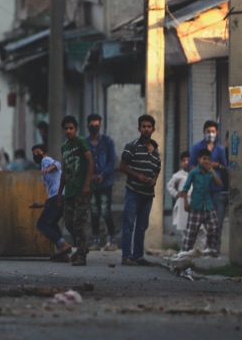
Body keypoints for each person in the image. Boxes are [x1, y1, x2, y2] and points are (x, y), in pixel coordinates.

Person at [119, 114, 161, 266]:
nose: (146, 129)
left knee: (142, 226)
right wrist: (139, 176)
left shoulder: (155, 150)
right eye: (143, 126)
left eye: (149, 126)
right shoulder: (132, 146)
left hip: (148, 194)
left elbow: (158, 169)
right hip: (133, 191)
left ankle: (138, 256)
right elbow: (122, 166)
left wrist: (154, 180)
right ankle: (126, 256)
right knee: (129, 223)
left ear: (153, 129)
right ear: (139, 128)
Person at [57, 115, 94, 266]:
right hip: (70, 189)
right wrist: (60, 192)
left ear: (76, 129)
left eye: (71, 128)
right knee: (68, 222)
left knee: (79, 222)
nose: (68, 131)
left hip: (81, 189)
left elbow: (90, 161)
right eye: (66, 129)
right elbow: (64, 171)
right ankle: (81, 249)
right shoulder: (64, 147)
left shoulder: (81, 142)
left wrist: (87, 184)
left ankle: (81, 256)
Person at [188, 120, 227, 252]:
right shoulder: (196, 148)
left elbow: (225, 168)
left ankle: (214, 249)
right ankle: (193, 249)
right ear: (204, 132)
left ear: (216, 133)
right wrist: (202, 167)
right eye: (208, 131)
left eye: (213, 131)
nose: (210, 134)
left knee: (217, 223)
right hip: (200, 192)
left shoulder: (220, 149)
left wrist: (217, 166)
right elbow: (190, 166)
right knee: (196, 224)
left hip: (216, 191)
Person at [29, 144, 73, 262]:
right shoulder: (43, 167)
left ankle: (63, 245)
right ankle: (62, 253)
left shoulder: (45, 160)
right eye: (33, 154)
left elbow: (58, 164)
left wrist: (49, 168)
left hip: (57, 196)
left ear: (45, 153)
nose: (35, 155)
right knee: (52, 223)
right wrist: (40, 205)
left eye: (37, 152)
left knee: (42, 224)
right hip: (59, 196)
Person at [176, 149, 222, 258]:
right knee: (191, 233)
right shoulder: (193, 172)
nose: (206, 161)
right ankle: (184, 255)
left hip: (208, 206)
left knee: (215, 227)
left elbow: (219, 184)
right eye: (204, 159)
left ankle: (211, 250)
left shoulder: (210, 173)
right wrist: (186, 204)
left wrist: (213, 172)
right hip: (196, 206)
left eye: (208, 159)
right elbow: (185, 189)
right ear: (199, 159)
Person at [85, 113, 118, 251]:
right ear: (87, 126)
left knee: (105, 211)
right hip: (91, 183)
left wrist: (102, 174)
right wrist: (90, 176)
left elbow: (112, 161)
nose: (94, 128)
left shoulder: (107, 141)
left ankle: (112, 240)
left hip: (105, 183)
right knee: (94, 211)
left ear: (101, 126)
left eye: (97, 125)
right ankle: (96, 242)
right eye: (92, 125)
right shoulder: (85, 143)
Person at [166, 151, 206, 252]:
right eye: (183, 160)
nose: (186, 162)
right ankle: (185, 251)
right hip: (183, 203)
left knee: (200, 228)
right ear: (181, 162)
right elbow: (169, 185)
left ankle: (203, 250)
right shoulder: (178, 175)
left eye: (188, 160)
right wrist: (176, 194)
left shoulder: (198, 172)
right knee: (184, 228)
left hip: (196, 202)